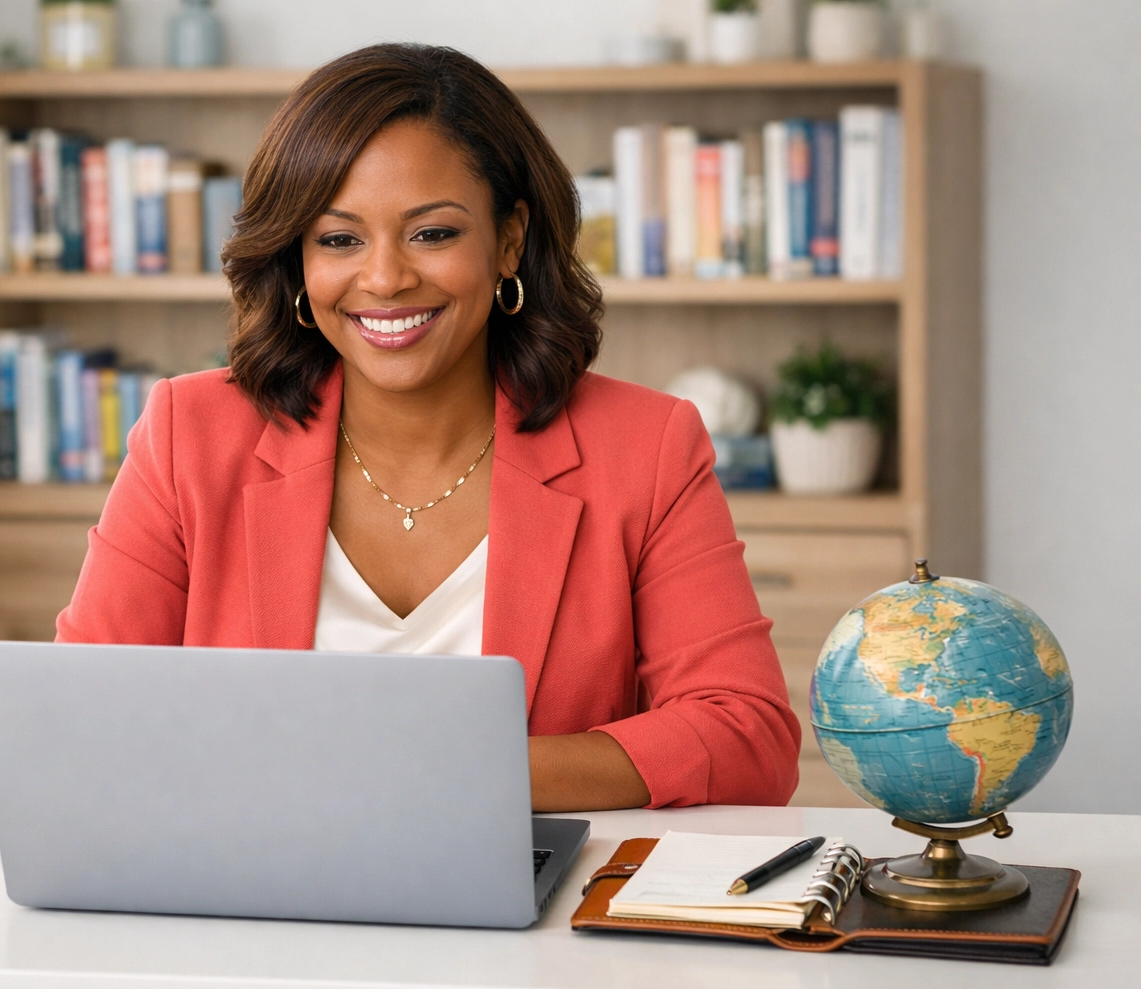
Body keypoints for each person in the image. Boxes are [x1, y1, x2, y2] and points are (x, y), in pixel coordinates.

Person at [57, 43, 800, 811]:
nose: (384, 279)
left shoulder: (647, 447)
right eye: (339, 239)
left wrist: (443, 771)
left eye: (432, 233)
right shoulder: (190, 433)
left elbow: (747, 738)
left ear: (509, 238)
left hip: (525, 913)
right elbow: (77, 719)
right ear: (298, 261)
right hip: (253, 902)